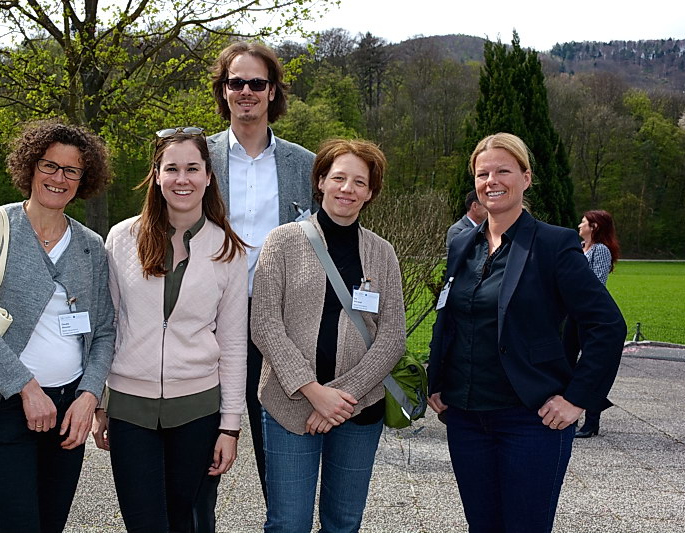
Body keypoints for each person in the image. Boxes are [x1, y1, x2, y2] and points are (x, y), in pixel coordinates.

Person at [426, 133, 626, 533]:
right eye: (483, 173)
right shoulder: (463, 244)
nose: (491, 181)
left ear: (526, 178)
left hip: (530, 421)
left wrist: (577, 399)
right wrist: (438, 379)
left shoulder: (553, 244)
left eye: (503, 171)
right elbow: (450, 315)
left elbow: (607, 324)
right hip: (466, 420)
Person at [0, 120, 116, 533]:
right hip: (4, 408)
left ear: (84, 179)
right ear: (30, 166)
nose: (59, 178)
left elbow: (104, 332)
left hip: (69, 411)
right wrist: (26, 389)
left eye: (71, 170)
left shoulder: (91, 246)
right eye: (49, 165)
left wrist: (89, 395)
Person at [93, 128, 248, 532]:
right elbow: (107, 326)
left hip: (197, 411)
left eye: (192, 168)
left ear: (208, 176)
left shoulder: (227, 249)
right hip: (130, 410)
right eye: (172, 168)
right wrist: (100, 402)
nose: (183, 179)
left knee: (186, 522)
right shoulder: (122, 238)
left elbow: (233, 344)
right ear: (157, 175)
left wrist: (230, 426)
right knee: (143, 523)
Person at [250, 139, 406, 532]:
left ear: (370, 193)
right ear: (320, 182)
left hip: (360, 407)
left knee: (343, 523)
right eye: (338, 178)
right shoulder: (282, 241)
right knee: (288, 523)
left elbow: (392, 336)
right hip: (290, 405)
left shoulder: (382, 253)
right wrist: (315, 393)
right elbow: (265, 323)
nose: (347, 189)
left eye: (359, 182)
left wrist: (339, 398)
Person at [199, 39, 316, 526]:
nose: (245, 91)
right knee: (200, 453)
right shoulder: (196, 157)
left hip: (278, 326)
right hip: (206, 322)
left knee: (281, 460)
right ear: (223, 90)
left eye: (256, 82)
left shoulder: (305, 164)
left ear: (272, 91)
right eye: (236, 82)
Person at [573, 209, 621, 438]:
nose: (579, 225)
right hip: (573, 313)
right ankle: (571, 414)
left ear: (594, 226)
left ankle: (592, 421)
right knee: (567, 363)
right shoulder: (580, 248)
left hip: (590, 316)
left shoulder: (600, 250)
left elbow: (597, 283)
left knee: (590, 365)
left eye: (583, 222)